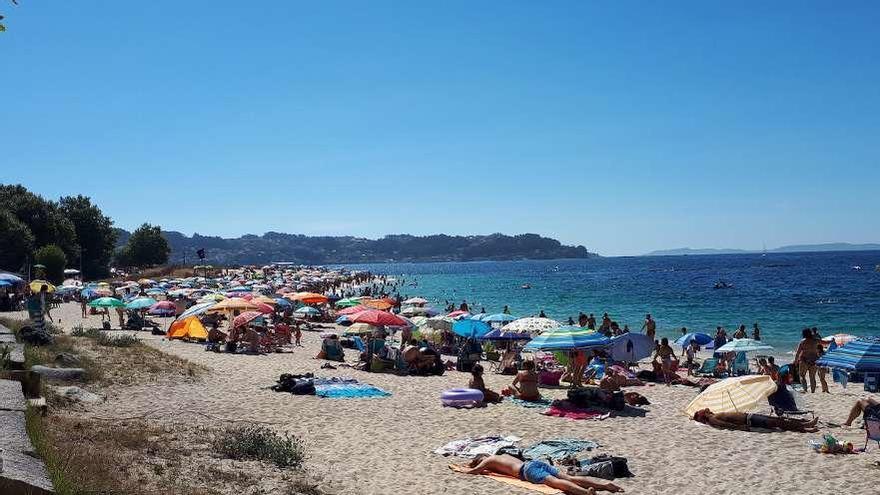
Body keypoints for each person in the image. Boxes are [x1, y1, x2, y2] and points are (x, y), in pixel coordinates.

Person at [454, 454, 624, 494]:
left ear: (480, 459)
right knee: (568, 477)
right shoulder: (502, 454)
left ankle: (584, 493)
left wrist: (461, 468)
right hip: (534, 462)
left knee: (553, 482)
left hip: (527, 471)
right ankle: (605, 486)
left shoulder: (489, 460)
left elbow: (474, 471)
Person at [692, 408, 819, 432]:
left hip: (750, 416)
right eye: (704, 410)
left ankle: (804, 423)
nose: (706, 409)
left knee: (778, 419)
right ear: (704, 415)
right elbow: (726, 425)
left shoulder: (713, 415)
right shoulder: (713, 419)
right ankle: (804, 428)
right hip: (750, 421)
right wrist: (741, 428)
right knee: (778, 423)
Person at [794, 328, 820, 393]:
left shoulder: (802, 342)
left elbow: (798, 352)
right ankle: (813, 391)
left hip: (804, 360)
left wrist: (795, 360)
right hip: (814, 360)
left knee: (802, 375)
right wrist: (831, 341)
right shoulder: (816, 341)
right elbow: (825, 343)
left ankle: (805, 390)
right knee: (812, 377)